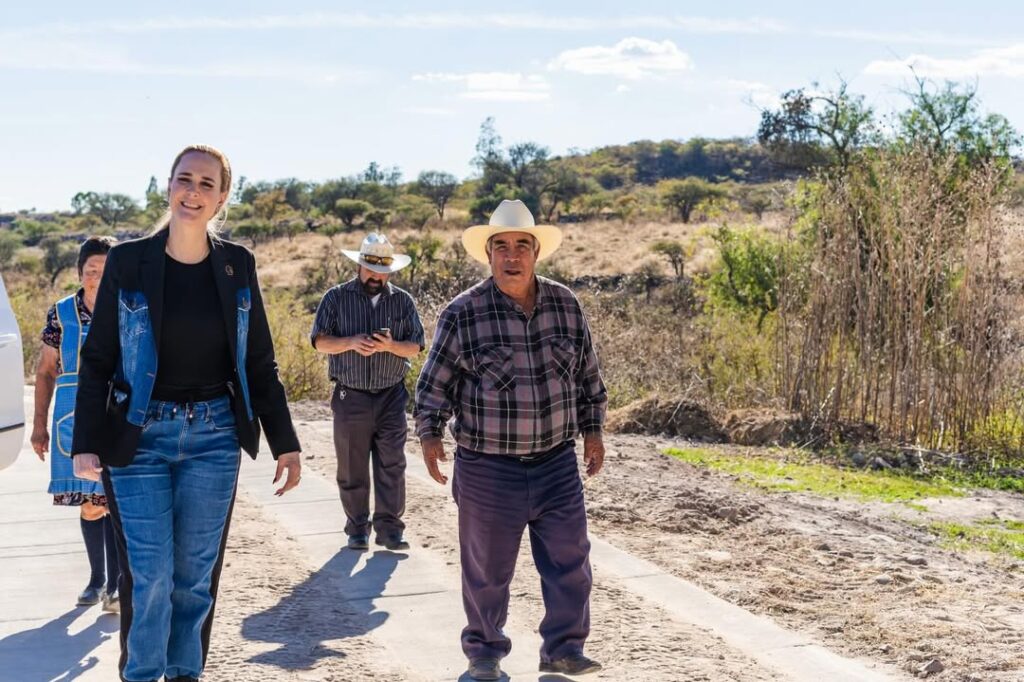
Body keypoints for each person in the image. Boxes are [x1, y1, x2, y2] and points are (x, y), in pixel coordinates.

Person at [71, 144, 302, 682]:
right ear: (168, 185)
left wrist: (285, 441)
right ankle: (141, 674)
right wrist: (86, 441)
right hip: (139, 436)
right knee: (148, 575)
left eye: (206, 183)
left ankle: (183, 673)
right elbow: (98, 357)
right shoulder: (129, 261)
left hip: (215, 437)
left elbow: (259, 360)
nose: (192, 192)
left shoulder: (237, 264)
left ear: (222, 197)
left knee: (194, 578)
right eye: (184, 179)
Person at [414, 199, 607, 681]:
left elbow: (588, 376)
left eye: (522, 245)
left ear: (537, 252)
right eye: (501, 246)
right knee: (486, 571)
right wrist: (430, 436)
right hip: (488, 468)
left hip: (556, 462)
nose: (512, 255)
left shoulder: (565, 304)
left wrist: (594, 430)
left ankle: (563, 649)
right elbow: (433, 385)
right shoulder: (463, 313)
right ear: (489, 254)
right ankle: (484, 654)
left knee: (570, 561)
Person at [310, 232, 424, 551]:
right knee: (351, 466)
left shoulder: (403, 301)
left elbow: (416, 346)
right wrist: (350, 342)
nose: (376, 276)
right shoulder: (335, 297)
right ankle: (357, 529)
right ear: (359, 266)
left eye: (383, 270)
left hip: (391, 395)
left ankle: (390, 531)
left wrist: (391, 346)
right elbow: (319, 341)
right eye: (371, 269)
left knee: (393, 465)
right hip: (351, 395)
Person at [31, 236, 120, 612]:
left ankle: (116, 586)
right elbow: (45, 371)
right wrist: (39, 425)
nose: (97, 278)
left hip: (116, 414)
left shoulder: (128, 308)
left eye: (105, 271)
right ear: (79, 272)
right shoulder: (62, 313)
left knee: (113, 501)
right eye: (91, 271)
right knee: (91, 504)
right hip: (72, 419)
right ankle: (97, 579)